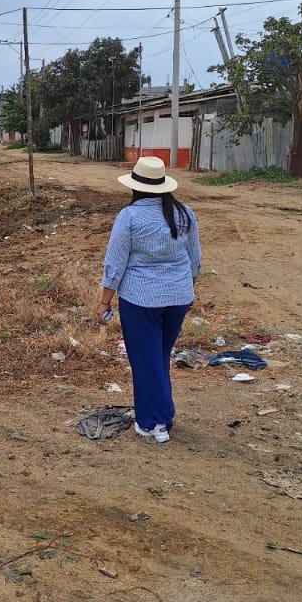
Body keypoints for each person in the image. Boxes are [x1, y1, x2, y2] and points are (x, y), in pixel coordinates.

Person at [95, 155, 201, 444]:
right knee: (159, 357)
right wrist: (185, 289)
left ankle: (154, 422)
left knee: (146, 361)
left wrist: (104, 301)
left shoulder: (129, 217)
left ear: (135, 186)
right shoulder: (185, 213)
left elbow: (115, 263)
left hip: (141, 300)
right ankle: (162, 414)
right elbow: (195, 259)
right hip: (178, 297)